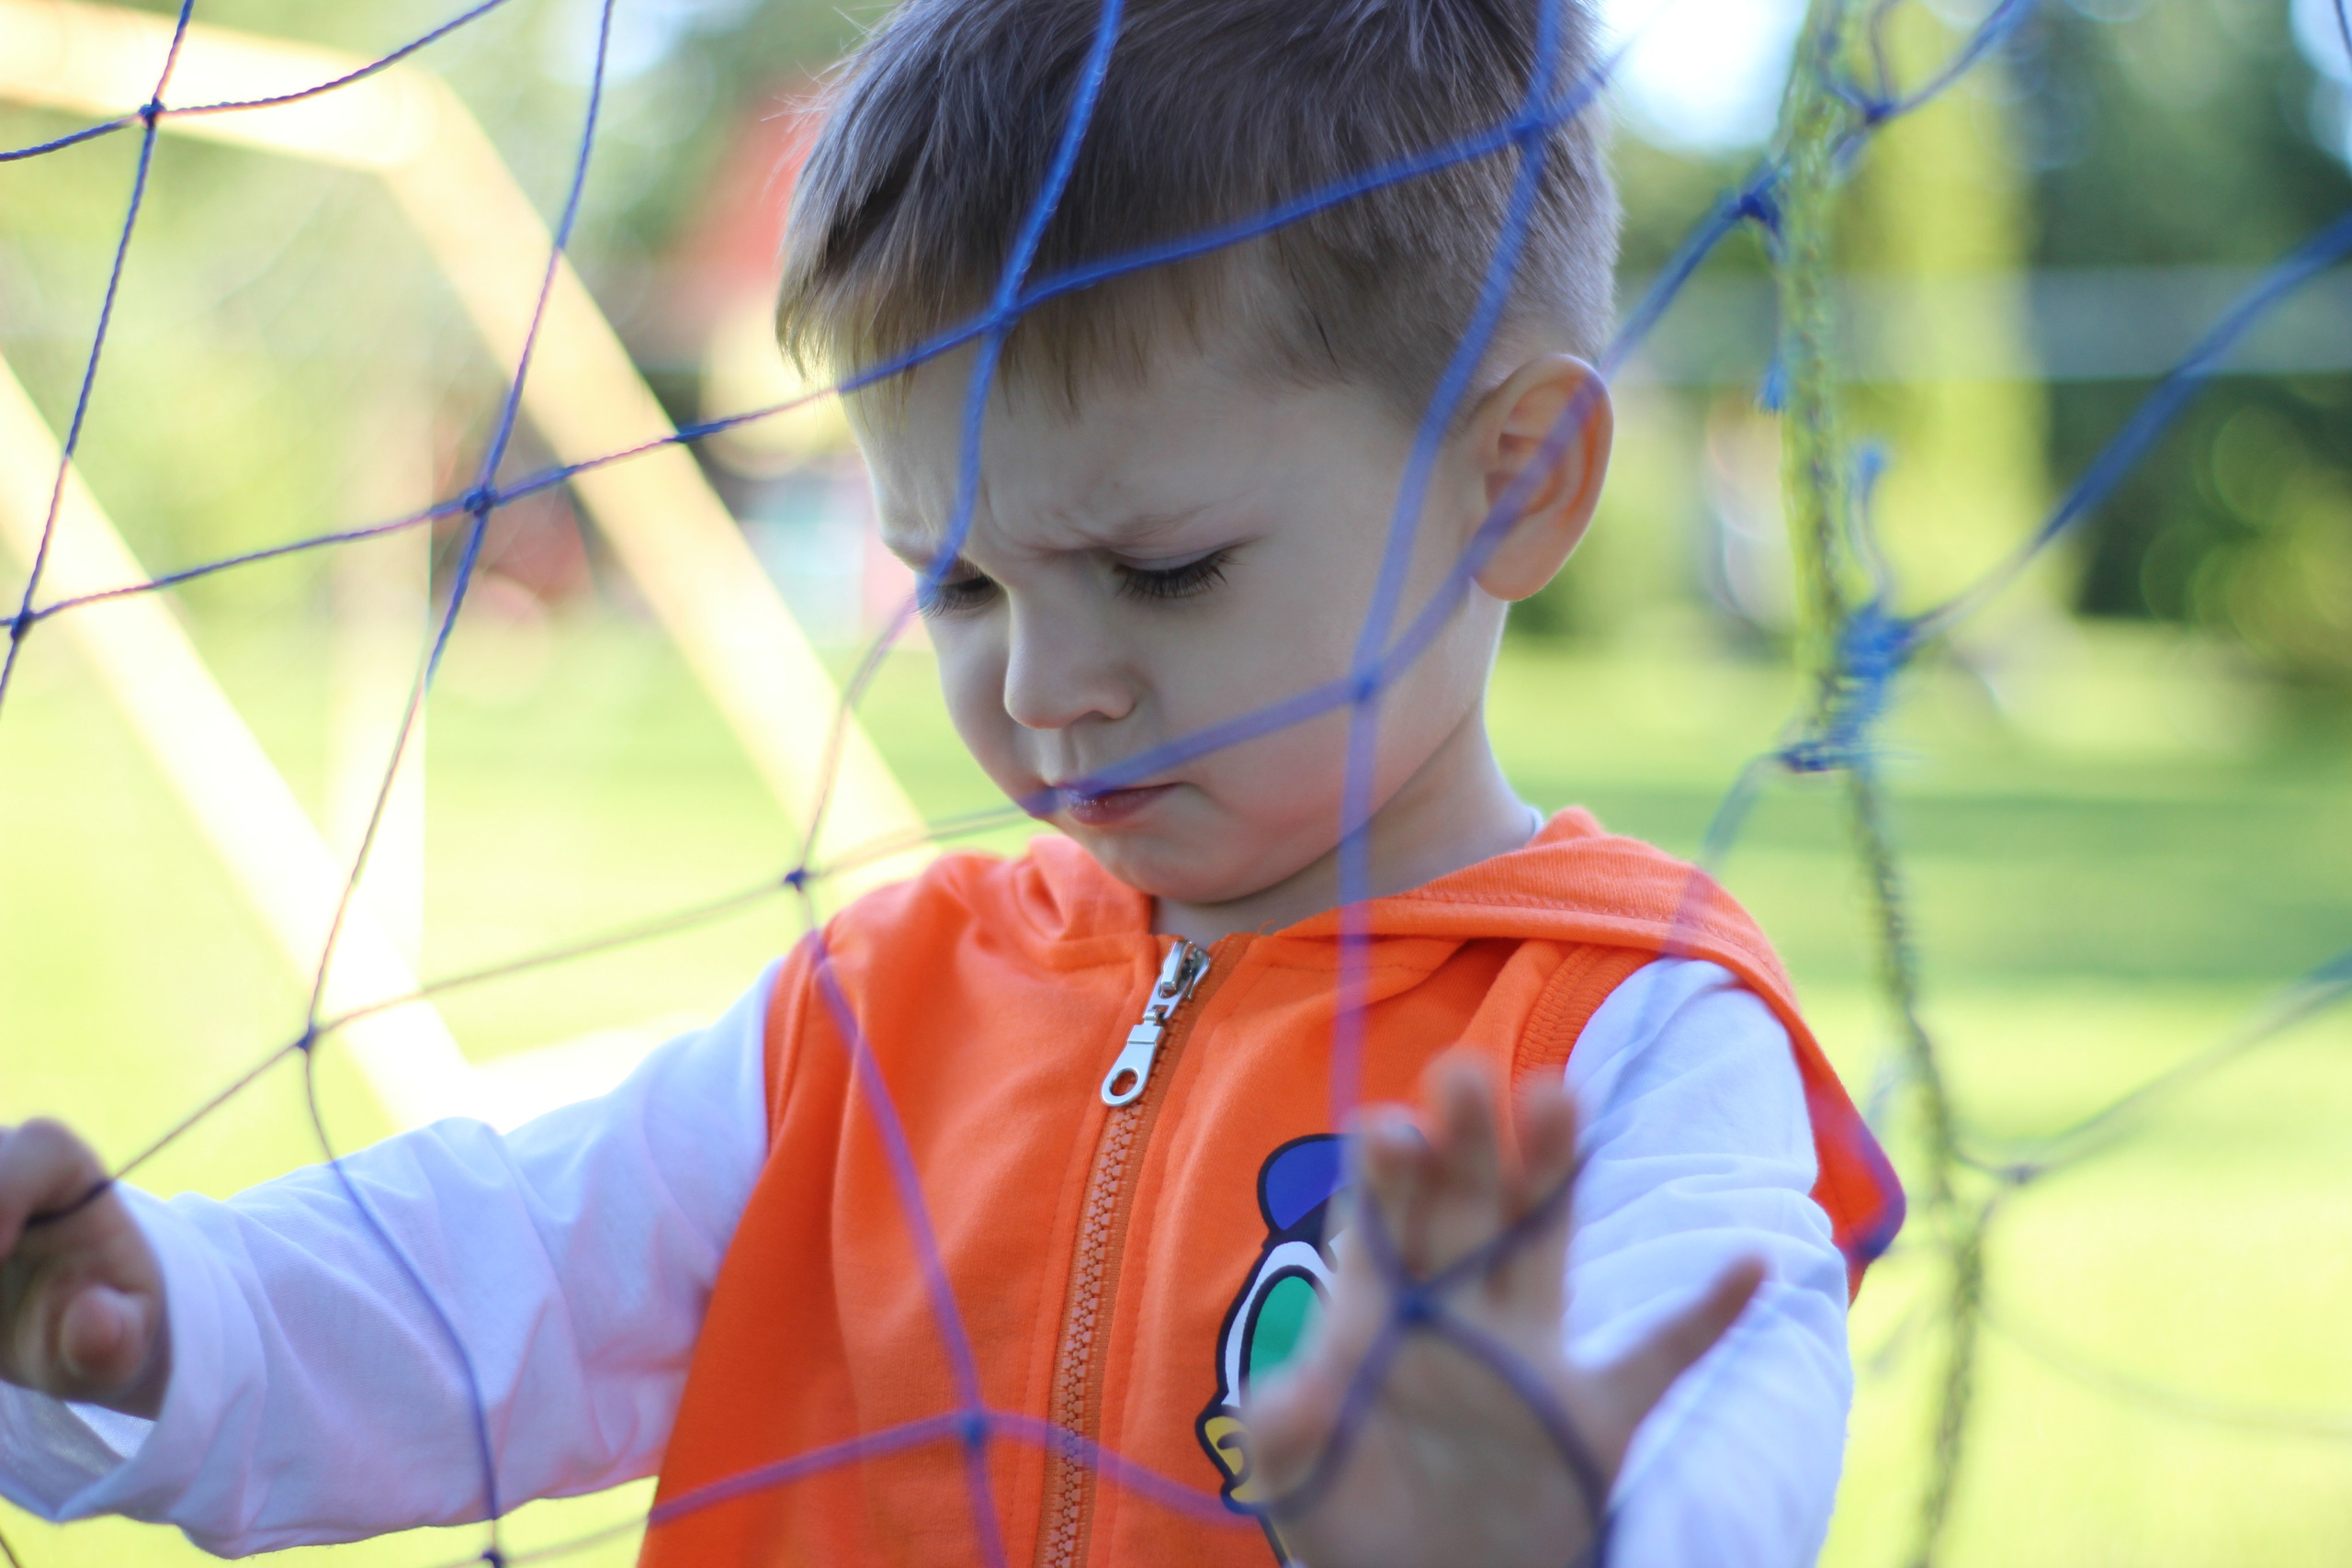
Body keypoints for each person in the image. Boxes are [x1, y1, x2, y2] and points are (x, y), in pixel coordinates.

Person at [0, 0, 1903, 1562]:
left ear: (1516, 479)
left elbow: (1717, 1419)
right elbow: (509, 1269)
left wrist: (1551, 1530)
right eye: (960, 582)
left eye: (1162, 569)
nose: (1046, 688)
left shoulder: (1629, 1035)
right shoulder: (880, 1007)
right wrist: (158, 1320)